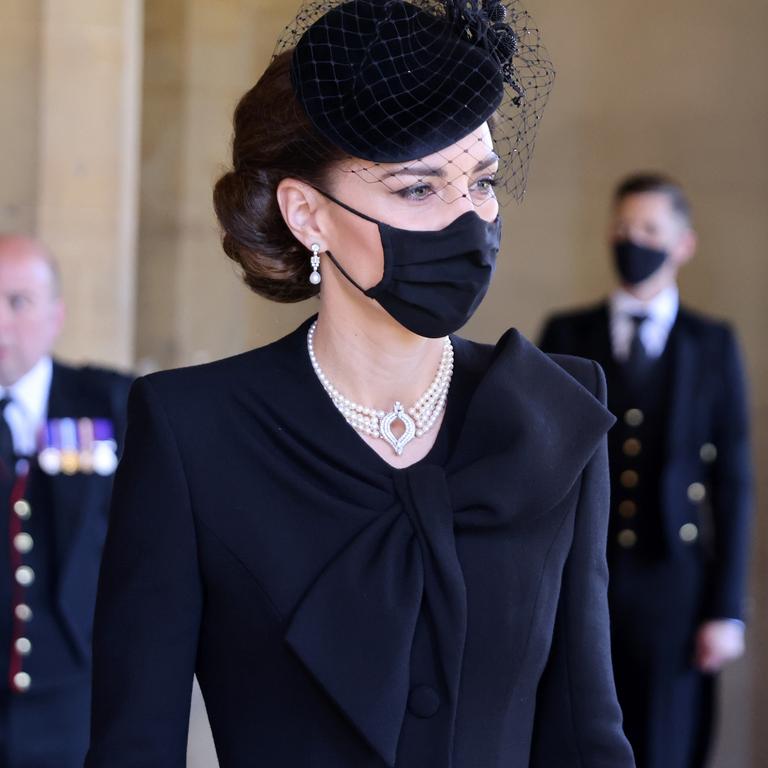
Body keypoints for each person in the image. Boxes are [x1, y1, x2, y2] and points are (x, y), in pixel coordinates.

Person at [86, 2, 635, 766]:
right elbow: (134, 745)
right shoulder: (193, 431)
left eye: (480, 181)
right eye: (417, 189)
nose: (468, 222)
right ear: (307, 213)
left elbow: (586, 733)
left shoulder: (552, 414)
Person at [539, 173, 753, 768]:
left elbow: (732, 482)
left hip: (675, 584)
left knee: (665, 741)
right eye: (623, 228)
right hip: (582, 576)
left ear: (682, 244)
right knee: (579, 738)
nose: (633, 240)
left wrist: (726, 607)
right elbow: (540, 469)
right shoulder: (566, 335)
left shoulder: (711, 344)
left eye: (650, 230)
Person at [0, 236, 131, 767]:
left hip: (75, 697)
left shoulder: (110, 403)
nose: (0, 321)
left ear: (56, 316)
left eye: (17, 302)